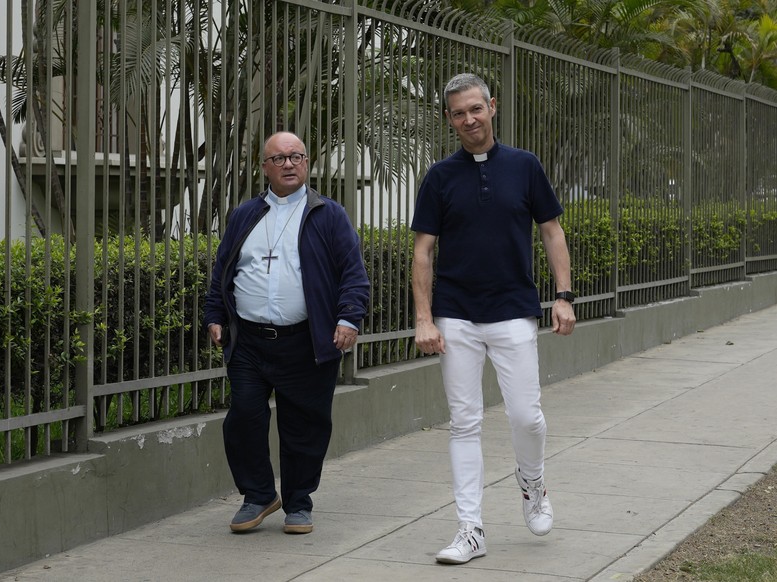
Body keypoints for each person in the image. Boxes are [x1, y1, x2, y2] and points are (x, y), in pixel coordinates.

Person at [411, 73, 576, 564]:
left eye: (475, 109)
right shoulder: (439, 177)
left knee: (527, 416)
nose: (469, 119)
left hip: (512, 311)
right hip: (456, 314)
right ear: (449, 119)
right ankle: (471, 529)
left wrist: (563, 296)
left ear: (492, 107)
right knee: (464, 422)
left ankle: (533, 485)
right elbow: (422, 251)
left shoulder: (525, 167)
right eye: (458, 113)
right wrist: (424, 318)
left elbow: (552, 232)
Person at [204, 131, 370, 535]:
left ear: (307, 163)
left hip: (305, 341)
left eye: (296, 156)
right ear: (265, 167)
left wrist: (349, 318)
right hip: (249, 342)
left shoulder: (328, 214)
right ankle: (259, 494)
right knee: (243, 418)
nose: (289, 164)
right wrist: (214, 314)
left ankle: (298, 501)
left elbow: (353, 274)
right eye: (278, 159)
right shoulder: (244, 215)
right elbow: (222, 269)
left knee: (304, 426)